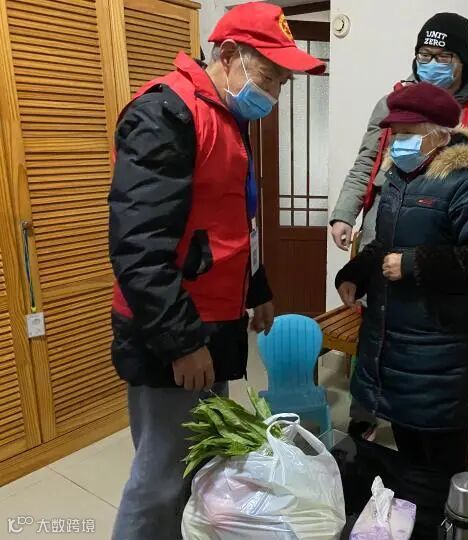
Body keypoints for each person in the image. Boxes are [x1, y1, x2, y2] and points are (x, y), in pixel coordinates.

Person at [108, 3, 325, 539]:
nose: (273, 96)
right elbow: (138, 247)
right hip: (174, 332)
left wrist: (257, 288)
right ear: (228, 56)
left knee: (202, 464)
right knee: (161, 481)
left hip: (213, 324)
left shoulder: (225, 116)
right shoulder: (165, 114)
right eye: (269, 78)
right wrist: (182, 342)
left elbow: (229, 223)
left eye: (282, 84)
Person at [330, 12, 468, 439]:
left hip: (447, 245)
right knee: (379, 326)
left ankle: (423, 428)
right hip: (389, 233)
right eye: (424, 55)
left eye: (443, 56)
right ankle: (369, 410)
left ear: (463, 61)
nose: (431, 64)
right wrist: (345, 215)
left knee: (431, 338)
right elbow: (367, 161)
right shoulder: (393, 113)